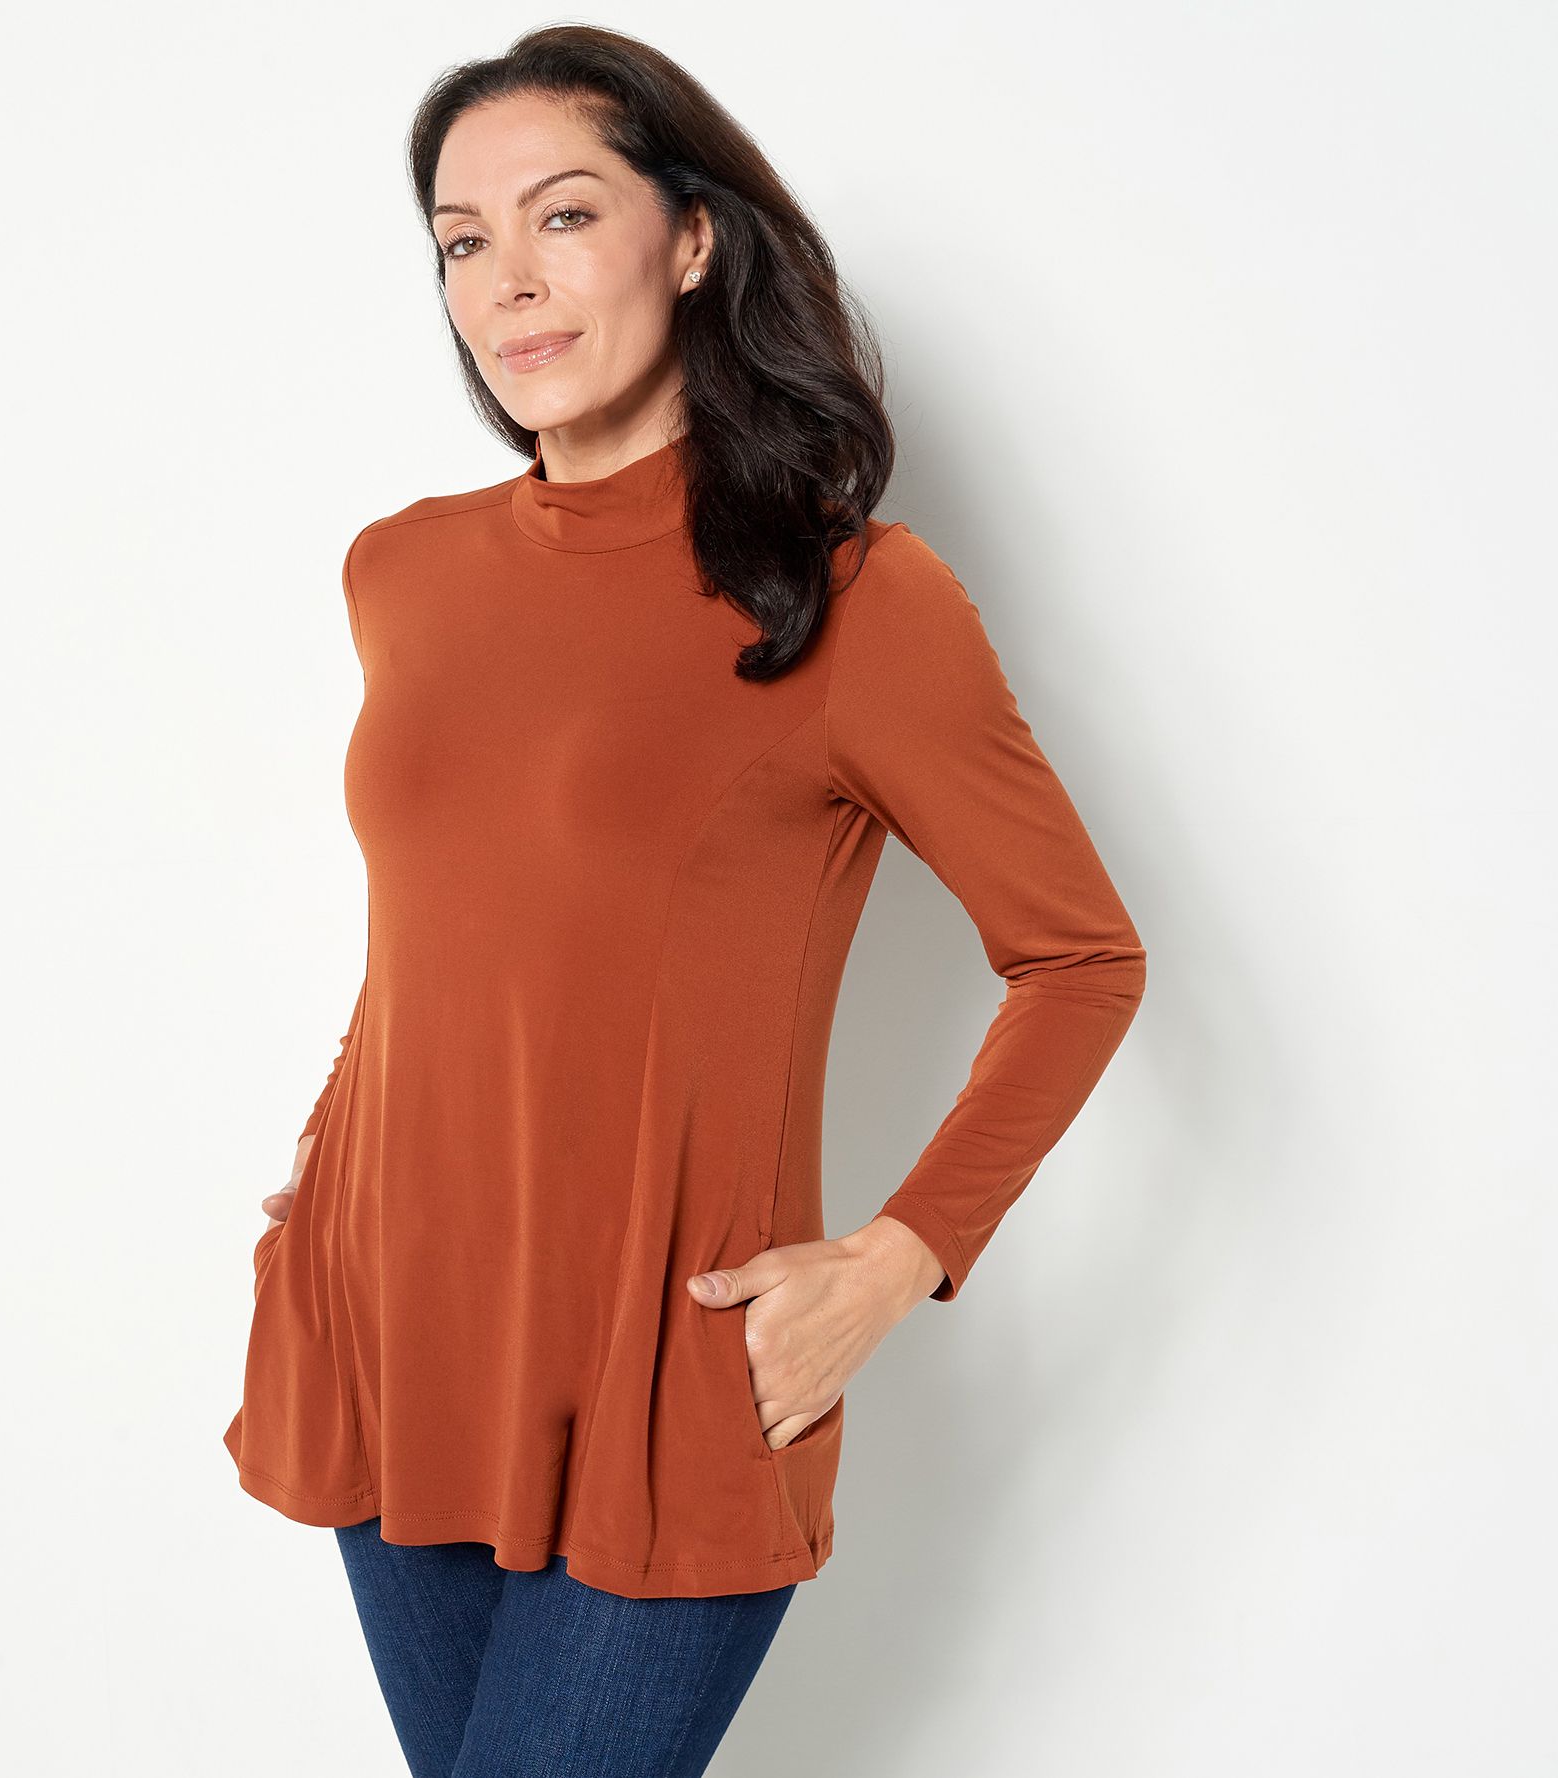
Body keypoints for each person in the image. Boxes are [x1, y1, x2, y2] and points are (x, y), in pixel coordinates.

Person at [223, 24, 1148, 1777]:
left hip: (674, 1374)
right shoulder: (403, 570)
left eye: (564, 215)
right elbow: (448, 922)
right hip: (394, 1323)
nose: (507, 280)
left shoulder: (852, 597)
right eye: (462, 241)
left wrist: (896, 1257)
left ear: (696, 238)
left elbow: (1081, 957)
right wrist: (328, 1173)